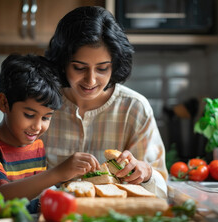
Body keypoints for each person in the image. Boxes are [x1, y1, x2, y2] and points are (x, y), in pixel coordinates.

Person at [42, 6, 168, 198]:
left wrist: (148, 174)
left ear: (115, 64)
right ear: (62, 62)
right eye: (79, 67)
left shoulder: (134, 109)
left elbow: (162, 189)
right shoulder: (42, 104)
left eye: (102, 68)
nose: (90, 80)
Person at [0, 54, 100, 213]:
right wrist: (58, 173)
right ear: (4, 103)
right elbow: (0, 197)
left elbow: (38, 192)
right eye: (29, 115)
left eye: (46, 117)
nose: (37, 127)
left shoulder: (36, 145)